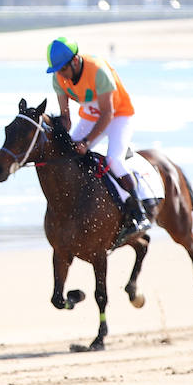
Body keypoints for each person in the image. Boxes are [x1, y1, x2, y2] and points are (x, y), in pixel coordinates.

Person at [45, 36, 150, 244]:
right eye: (56, 70)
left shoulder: (98, 71)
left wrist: (85, 142)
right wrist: (48, 125)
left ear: (75, 61)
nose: (60, 75)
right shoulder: (58, 78)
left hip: (119, 115)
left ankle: (139, 211)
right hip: (91, 116)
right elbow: (66, 119)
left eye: (63, 69)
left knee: (114, 160)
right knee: (69, 157)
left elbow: (108, 113)